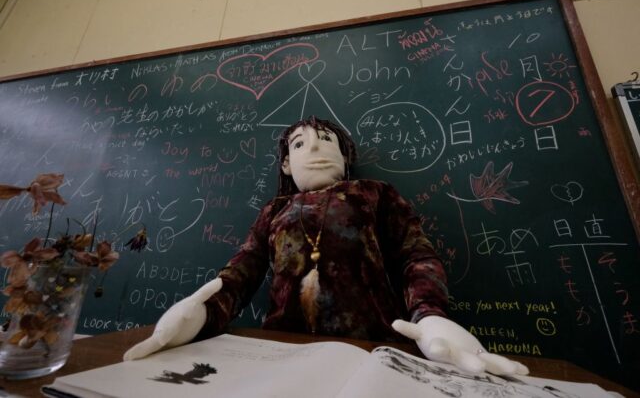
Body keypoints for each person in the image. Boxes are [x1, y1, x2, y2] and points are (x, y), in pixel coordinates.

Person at [124, 117, 528, 376]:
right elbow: (242, 270)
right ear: (284, 164)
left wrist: (430, 315)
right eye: (298, 145)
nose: (313, 149)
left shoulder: (374, 194)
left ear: (345, 155)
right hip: (282, 353)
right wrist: (203, 315)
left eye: (325, 140)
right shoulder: (275, 210)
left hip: (374, 349)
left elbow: (415, 254)